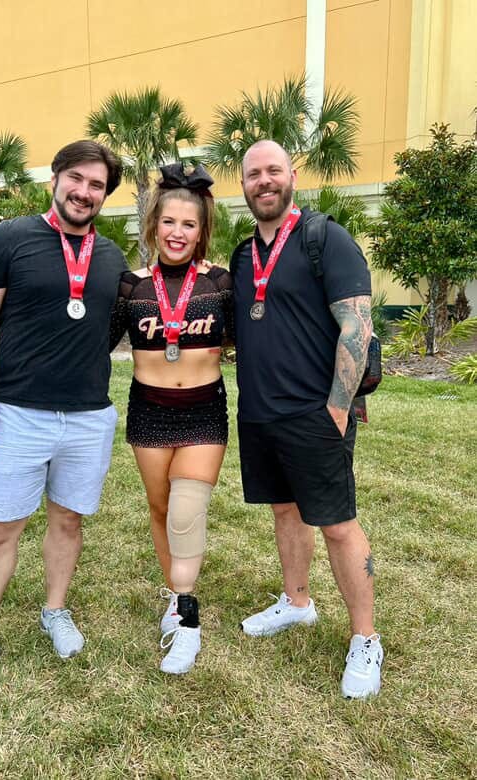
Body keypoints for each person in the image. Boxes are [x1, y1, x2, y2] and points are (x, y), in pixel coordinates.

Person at [0, 140, 127, 699]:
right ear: (56, 179)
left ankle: (55, 610)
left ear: (105, 195)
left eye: (97, 185)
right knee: (1, 528)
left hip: (88, 417)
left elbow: (107, 329)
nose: (84, 192)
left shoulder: (111, 257)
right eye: (76, 179)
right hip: (17, 414)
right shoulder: (8, 238)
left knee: (68, 522)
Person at [230, 139, 383, 699]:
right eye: (253, 174)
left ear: (292, 176)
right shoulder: (243, 254)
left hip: (316, 413)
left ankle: (365, 638)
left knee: (337, 524)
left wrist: (338, 409)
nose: (264, 181)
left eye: (273, 170)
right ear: (243, 185)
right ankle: (297, 602)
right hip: (259, 414)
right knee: (285, 511)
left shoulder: (325, 238)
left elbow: (357, 327)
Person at [110, 163, 233, 674]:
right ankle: (175, 595)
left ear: (202, 230)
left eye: (189, 224)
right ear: (153, 225)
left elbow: (262, 338)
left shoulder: (220, 283)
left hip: (204, 412)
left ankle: (187, 621)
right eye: (168, 222)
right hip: (149, 413)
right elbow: (91, 342)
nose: (177, 233)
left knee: (185, 510)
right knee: (161, 510)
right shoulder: (131, 287)